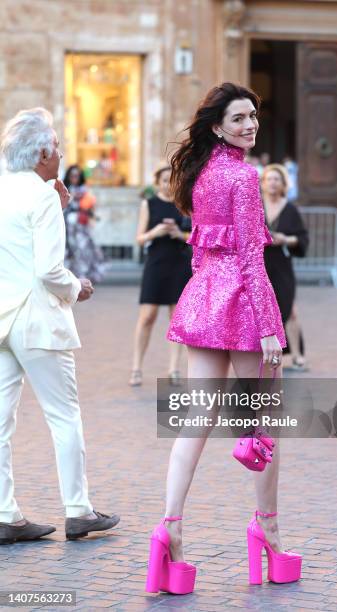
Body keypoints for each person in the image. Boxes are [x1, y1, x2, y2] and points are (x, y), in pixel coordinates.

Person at [145, 83, 302, 595]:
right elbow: (255, 262)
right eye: (238, 119)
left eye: (254, 116)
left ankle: (169, 529)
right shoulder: (243, 175)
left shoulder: (199, 174)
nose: (250, 125)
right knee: (263, 425)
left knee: (196, 423)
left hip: (205, 298)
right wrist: (269, 328)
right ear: (217, 126)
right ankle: (269, 531)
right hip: (241, 304)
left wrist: (202, 293)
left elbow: (198, 249)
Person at [0, 108, 119, 543]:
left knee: (0, 423)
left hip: (3, 319)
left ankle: (6, 512)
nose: (62, 152)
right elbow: (50, 269)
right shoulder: (42, 195)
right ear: (43, 153)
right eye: (56, 145)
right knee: (64, 416)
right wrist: (77, 286)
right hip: (37, 319)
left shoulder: (7, 187)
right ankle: (78, 509)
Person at [129, 165, 192, 387]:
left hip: (180, 264)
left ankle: (174, 368)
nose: (168, 184)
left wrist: (179, 234)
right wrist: (155, 233)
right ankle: (136, 367)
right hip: (156, 264)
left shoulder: (185, 204)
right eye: (165, 180)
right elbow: (139, 238)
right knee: (147, 317)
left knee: (177, 320)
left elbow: (197, 236)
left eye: (172, 180)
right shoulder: (149, 203)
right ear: (158, 182)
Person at [262, 164, 309, 371]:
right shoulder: (254, 206)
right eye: (269, 179)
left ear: (283, 184)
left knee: (290, 310)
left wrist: (285, 240)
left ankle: (297, 356)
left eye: (276, 179)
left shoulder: (290, 209)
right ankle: (261, 353)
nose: (272, 183)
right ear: (262, 183)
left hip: (281, 265)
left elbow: (302, 238)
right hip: (258, 264)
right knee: (259, 310)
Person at [63, 164, 105, 284]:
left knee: (83, 250)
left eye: (77, 175)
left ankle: (83, 276)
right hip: (67, 226)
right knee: (68, 251)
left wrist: (91, 219)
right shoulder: (64, 189)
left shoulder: (85, 191)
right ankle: (70, 277)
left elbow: (91, 208)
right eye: (72, 175)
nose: (74, 178)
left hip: (81, 226)